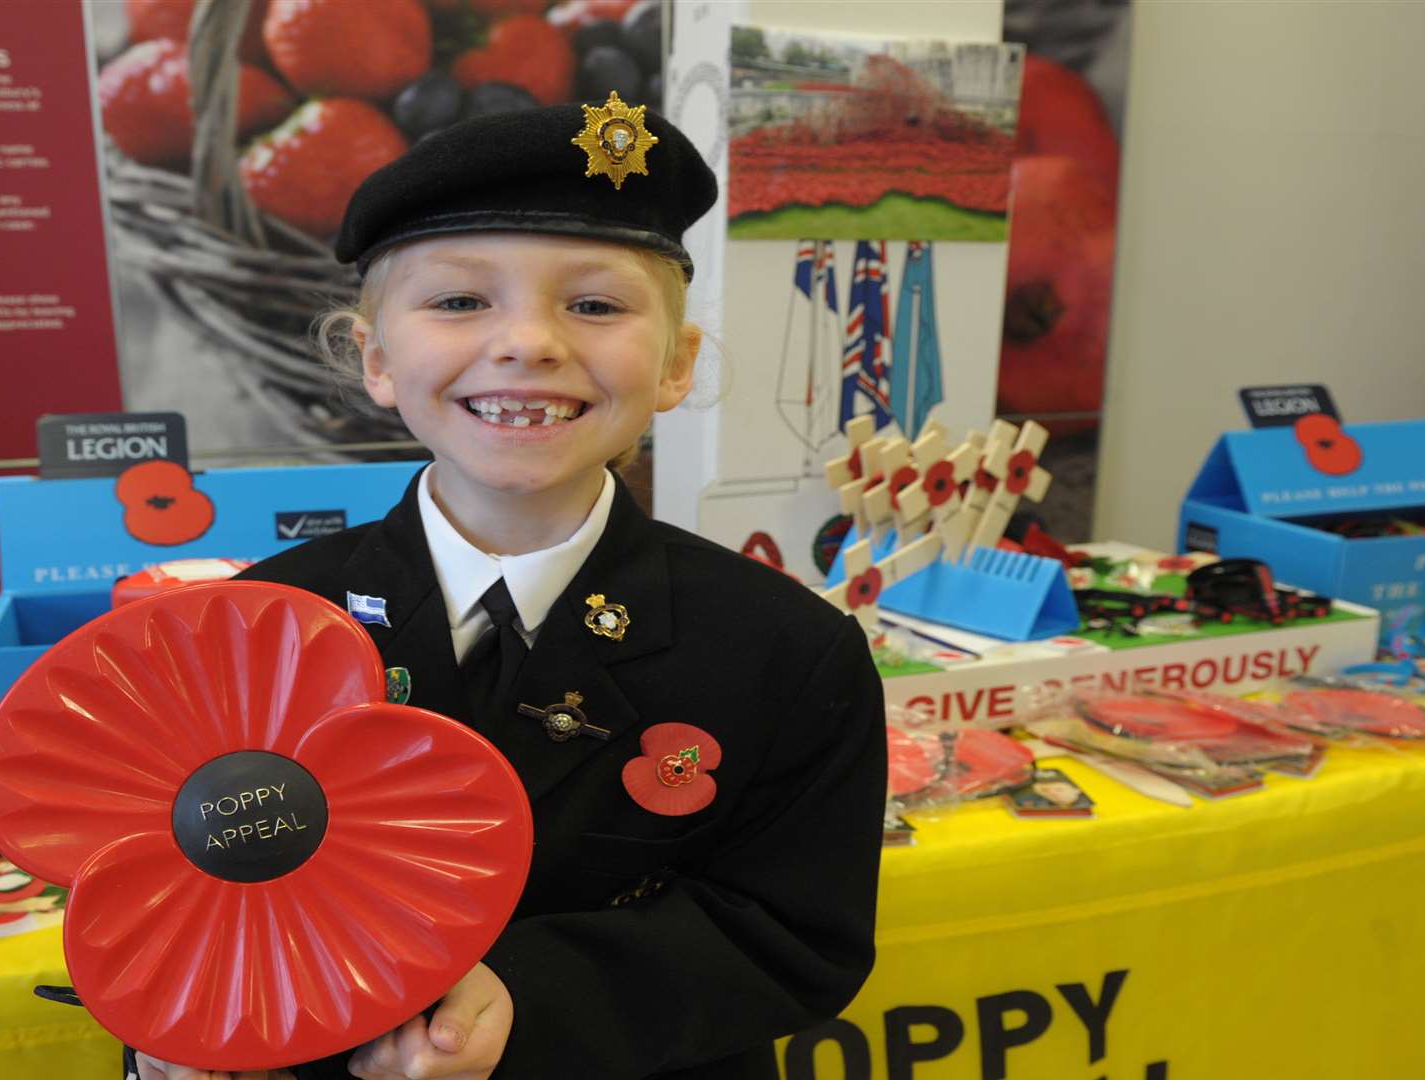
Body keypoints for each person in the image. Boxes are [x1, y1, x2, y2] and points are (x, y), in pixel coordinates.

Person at [133, 94, 886, 1080]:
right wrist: (168, 1049)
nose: (528, 342)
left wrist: (529, 993)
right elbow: (170, 895)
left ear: (675, 365)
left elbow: (792, 932)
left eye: (596, 305)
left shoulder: (786, 651)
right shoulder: (251, 628)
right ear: (375, 359)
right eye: (459, 302)